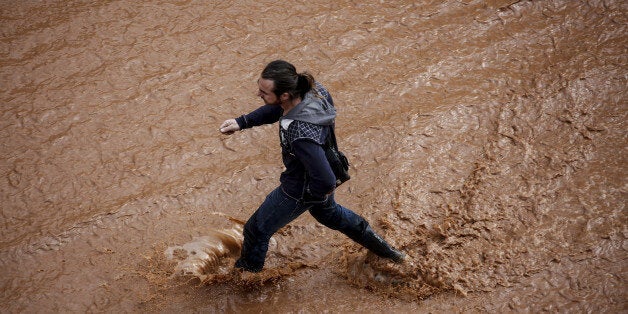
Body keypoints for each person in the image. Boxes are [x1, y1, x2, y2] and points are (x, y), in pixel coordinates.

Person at [219, 60, 405, 273]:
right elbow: (278, 109)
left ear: (285, 95)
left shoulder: (300, 134)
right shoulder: (315, 91)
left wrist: (308, 196)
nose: (258, 94)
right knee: (330, 214)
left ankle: (247, 278)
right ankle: (390, 253)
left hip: (300, 187)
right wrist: (243, 121)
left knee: (256, 230)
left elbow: (324, 180)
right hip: (323, 167)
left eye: (264, 92)